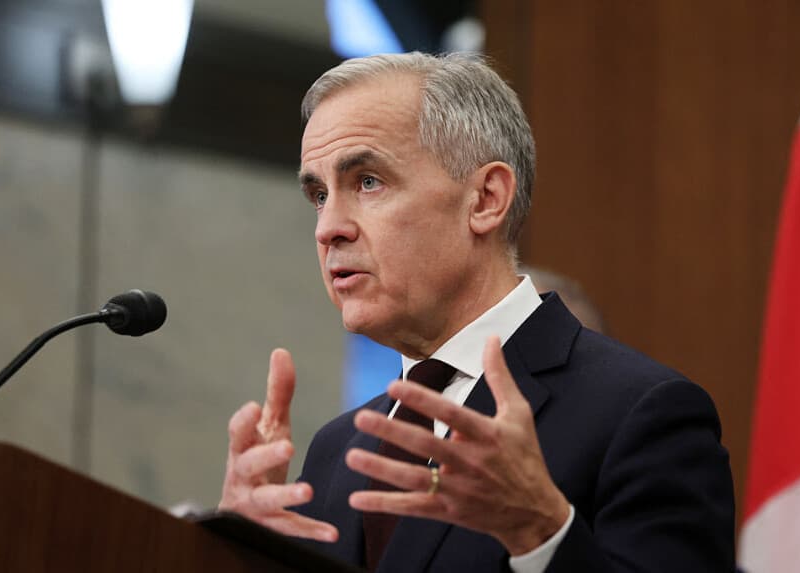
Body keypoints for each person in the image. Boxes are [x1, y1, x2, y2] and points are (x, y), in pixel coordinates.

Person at [218, 52, 735, 572]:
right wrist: (232, 555)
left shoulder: (643, 413)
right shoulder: (338, 448)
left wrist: (540, 532)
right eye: (319, 194)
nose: (328, 227)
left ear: (486, 199)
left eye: (368, 182)